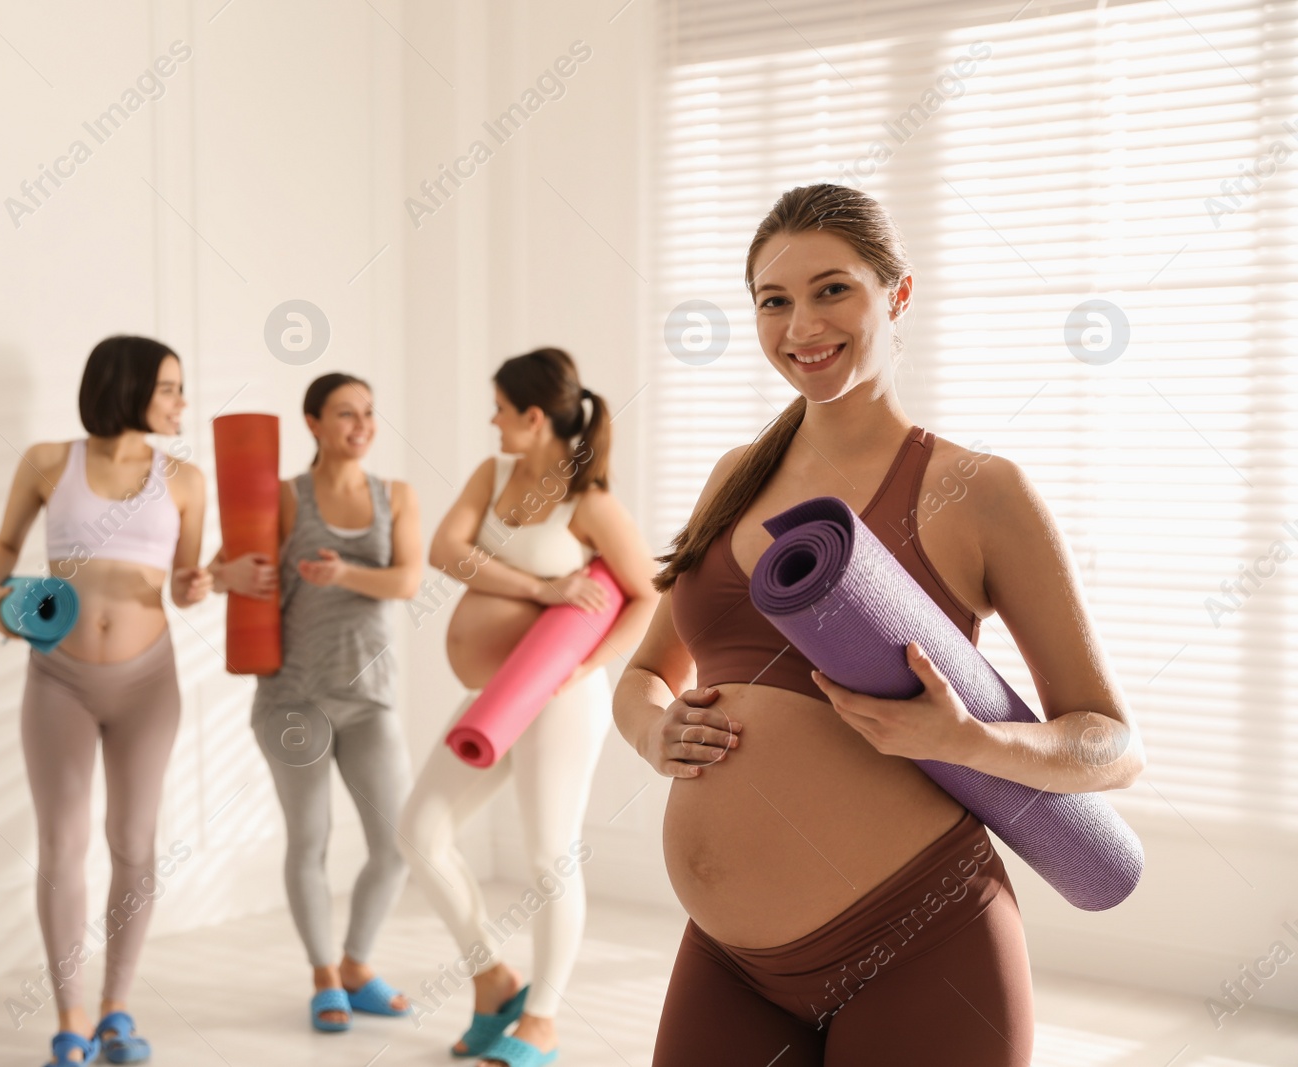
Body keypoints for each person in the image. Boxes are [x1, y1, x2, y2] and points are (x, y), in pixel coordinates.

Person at [617, 183, 1146, 1066]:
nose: (801, 326)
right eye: (773, 300)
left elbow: (1113, 744)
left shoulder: (981, 492)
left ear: (897, 294)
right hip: (729, 957)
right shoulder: (734, 477)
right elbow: (644, 674)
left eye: (834, 289)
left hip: (920, 942)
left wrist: (972, 741)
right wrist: (653, 728)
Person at [400, 348, 658, 1067]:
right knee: (420, 830)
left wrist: (582, 666)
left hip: (556, 699)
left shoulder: (592, 504)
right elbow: (446, 550)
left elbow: (648, 595)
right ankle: (493, 977)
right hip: (494, 696)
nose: (493, 419)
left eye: (501, 409)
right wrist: (541, 590)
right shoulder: (495, 474)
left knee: (549, 854)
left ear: (534, 416)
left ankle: (541, 1019)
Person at [0, 335, 211, 1066]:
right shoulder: (50, 463)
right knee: (62, 843)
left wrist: (199, 586)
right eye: (169, 387)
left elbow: (182, 581)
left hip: (148, 681)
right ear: (128, 385)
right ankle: (70, 1019)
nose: (181, 401)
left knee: (134, 842)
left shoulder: (186, 479)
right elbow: (3, 551)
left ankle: (117, 1009)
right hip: (59, 679)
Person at [209, 373, 424, 1031]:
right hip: (293, 698)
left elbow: (408, 579)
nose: (361, 425)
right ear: (312, 422)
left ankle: (357, 962)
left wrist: (345, 572)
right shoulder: (281, 497)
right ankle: (324, 973)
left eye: (368, 413)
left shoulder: (396, 495)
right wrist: (228, 574)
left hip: (369, 697)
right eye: (345, 414)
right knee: (311, 839)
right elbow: (223, 568)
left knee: (399, 843)